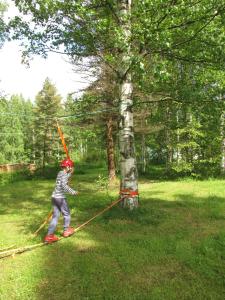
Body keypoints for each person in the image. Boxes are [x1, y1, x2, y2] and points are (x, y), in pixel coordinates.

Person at [44, 158, 78, 243]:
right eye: (70, 167)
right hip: (60, 198)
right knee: (67, 214)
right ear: (68, 167)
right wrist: (73, 192)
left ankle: (49, 236)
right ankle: (66, 230)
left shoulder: (60, 173)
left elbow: (65, 177)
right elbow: (64, 186)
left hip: (54, 197)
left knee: (55, 216)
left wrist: (70, 173)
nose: (71, 168)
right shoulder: (64, 174)